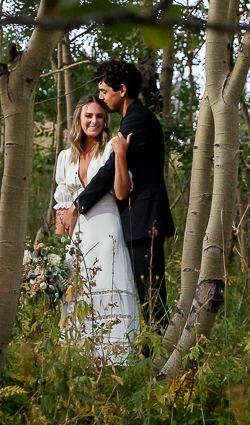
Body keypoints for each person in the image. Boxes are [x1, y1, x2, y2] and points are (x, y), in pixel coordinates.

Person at [71, 60, 175, 331]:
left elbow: (108, 172)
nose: (102, 97)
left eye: (105, 91)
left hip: (145, 221)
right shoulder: (132, 118)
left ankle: (161, 363)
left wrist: (79, 204)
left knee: (152, 299)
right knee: (146, 298)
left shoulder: (137, 121)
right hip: (137, 220)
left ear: (122, 90)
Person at [52, 95, 140, 364]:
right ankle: (78, 356)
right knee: (76, 292)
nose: (94, 121)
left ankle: (115, 359)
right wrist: (57, 248)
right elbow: (62, 203)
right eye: (88, 116)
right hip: (78, 234)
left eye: (100, 116)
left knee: (108, 285)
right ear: (79, 119)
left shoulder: (111, 150)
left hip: (107, 226)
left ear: (106, 121)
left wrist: (122, 155)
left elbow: (123, 192)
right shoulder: (66, 157)